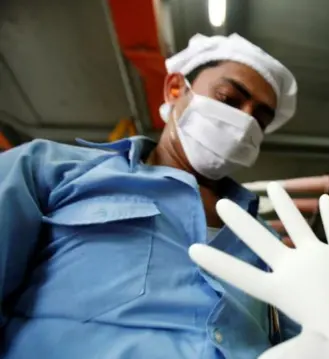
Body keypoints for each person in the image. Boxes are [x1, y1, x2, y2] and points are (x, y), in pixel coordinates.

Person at [0, 33, 301, 359]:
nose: (244, 123)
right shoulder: (50, 169)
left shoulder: (267, 243)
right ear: (175, 89)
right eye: (228, 99)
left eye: (259, 119)